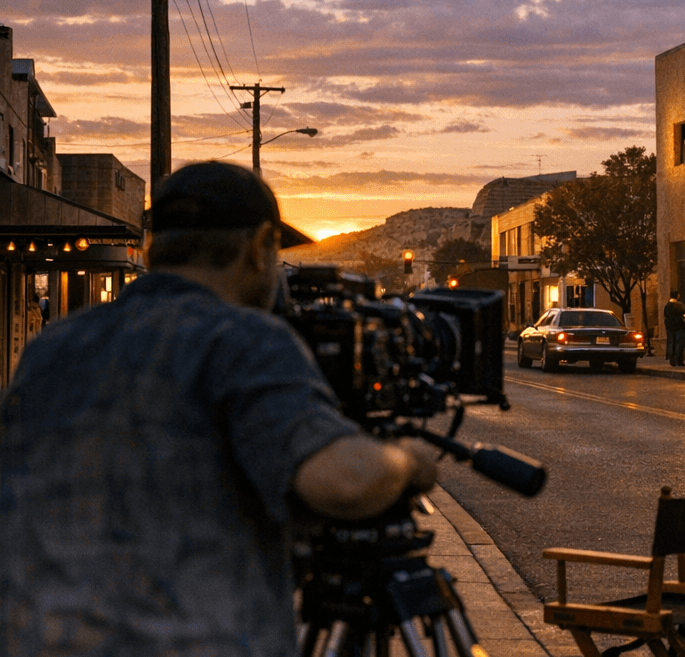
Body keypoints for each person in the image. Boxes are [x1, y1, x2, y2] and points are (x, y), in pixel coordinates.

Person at [0, 161, 439, 657]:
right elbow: (342, 483)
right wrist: (406, 460)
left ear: (152, 248)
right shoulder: (243, 339)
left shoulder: (52, 347)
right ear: (258, 249)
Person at [662, 290, 685, 367]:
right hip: (679, 326)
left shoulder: (667, 305)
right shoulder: (680, 305)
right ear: (678, 296)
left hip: (670, 327)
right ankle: (679, 360)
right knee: (679, 343)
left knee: (671, 342)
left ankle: (672, 359)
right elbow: (684, 313)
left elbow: (666, 316)